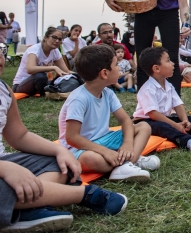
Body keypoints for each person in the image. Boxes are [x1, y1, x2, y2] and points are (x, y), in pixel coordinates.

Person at [0, 51, 128, 232]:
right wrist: (5, 169)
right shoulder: (80, 97)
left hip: (5, 161)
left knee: (63, 163)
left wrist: (60, 151)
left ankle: (24, 206)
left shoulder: (3, 90)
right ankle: (85, 195)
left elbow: (19, 136)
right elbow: (73, 135)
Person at [58, 45, 158, 183]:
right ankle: (128, 163)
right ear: (105, 73)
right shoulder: (79, 99)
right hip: (80, 149)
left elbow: (125, 121)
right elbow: (71, 138)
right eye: (116, 65)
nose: (119, 69)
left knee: (144, 127)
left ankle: (127, 163)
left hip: (105, 139)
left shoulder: (108, 93)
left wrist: (128, 144)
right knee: (91, 159)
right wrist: (104, 151)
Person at [12, 27, 72, 97]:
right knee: (40, 76)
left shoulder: (55, 51)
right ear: (45, 38)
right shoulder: (34, 49)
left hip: (41, 83)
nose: (57, 41)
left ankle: (50, 90)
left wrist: (80, 76)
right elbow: (30, 69)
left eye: (60, 39)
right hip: (20, 85)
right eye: (54, 37)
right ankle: (46, 92)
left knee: (62, 78)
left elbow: (66, 71)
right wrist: (53, 67)